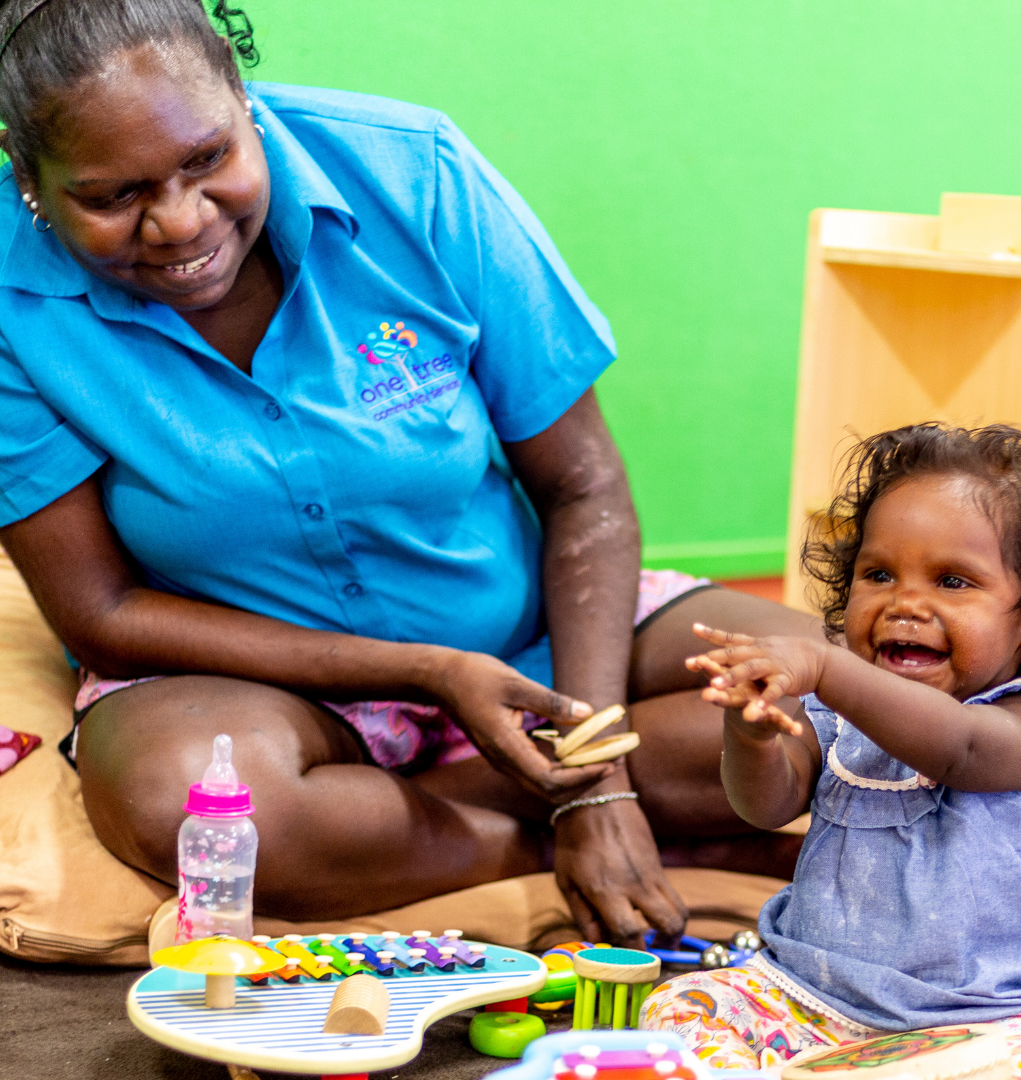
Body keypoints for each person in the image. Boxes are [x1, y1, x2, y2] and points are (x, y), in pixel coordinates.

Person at [0, 0, 809, 941]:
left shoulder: (415, 173)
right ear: (27, 174)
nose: (181, 222)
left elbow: (582, 487)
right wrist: (437, 679)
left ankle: (406, 827)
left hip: (525, 639)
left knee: (827, 696)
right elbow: (100, 612)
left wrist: (594, 766)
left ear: (235, 82)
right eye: (113, 198)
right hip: (254, 691)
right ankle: (606, 835)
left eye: (208, 158)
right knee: (195, 810)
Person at [641, 424, 1021, 1075]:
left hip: (985, 1017)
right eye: (878, 574)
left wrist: (826, 666)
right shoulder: (838, 715)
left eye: (952, 581)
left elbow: (957, 748)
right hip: (807, 999)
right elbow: (768, 805)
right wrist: (753, 732)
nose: (905, 603)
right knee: (678, 1006)